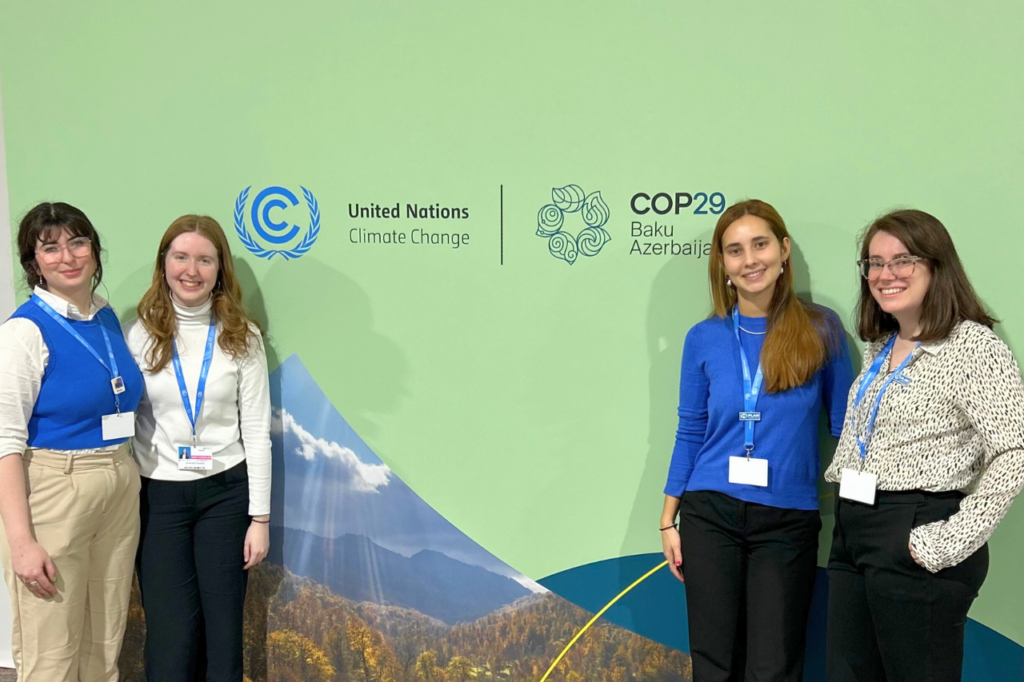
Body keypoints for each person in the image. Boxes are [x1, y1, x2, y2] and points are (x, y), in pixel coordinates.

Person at [825, 209, 1024, 682]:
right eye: (873, 262)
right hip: (854, 531)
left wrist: (939, 544)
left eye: (902, 260)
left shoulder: (972, 346)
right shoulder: (881, 346)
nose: (884, 274)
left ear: (937, 265)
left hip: (915, 531)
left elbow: (1014, 452)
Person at [660, 199, 853, 682]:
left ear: (784, 250)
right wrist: (668, 519)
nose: (750, 260)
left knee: (773, 667)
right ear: (722, 265)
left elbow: (848, 430)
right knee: (713, 663)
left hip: (787, 520)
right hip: (710, 513)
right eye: (734, 250)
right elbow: (689, 432)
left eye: (760, 244)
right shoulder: (703, 338)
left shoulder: (821, 328)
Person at [0, 202, 144, 681]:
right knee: (52, 651)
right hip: (55, 490)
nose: (67, 256)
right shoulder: (25, 332)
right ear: (33, 262)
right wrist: (21, 543)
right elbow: (5, 444)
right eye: (51, 247)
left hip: (119, 482)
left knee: (103, 645)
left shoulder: (105, 318)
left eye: (77, 242)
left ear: (94, 250)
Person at [126, 215, 271, 682]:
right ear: (164, 263)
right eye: (181, 256)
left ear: (220, 269)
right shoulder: (137, 333)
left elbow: (256, 431)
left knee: (223, 633)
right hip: (159, 497)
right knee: (171, 635)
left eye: (205, 259)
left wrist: (260, 518)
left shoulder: (242, 337)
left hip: (226, 496)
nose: (192, 269)